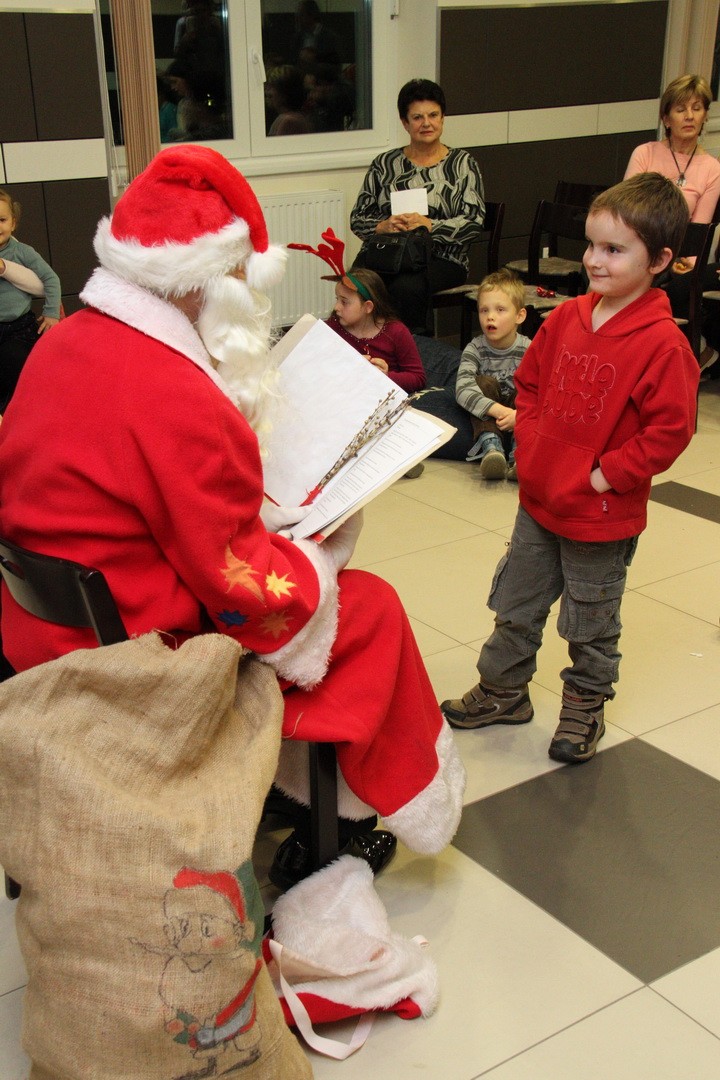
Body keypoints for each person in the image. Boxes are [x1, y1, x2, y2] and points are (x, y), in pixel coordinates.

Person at [0, 145, 465, 890]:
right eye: (243, 281)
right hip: (134, 653)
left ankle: (292, 787)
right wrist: (319, 549)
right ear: (204, 283)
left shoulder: (65, 345)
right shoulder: (177, 392)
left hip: (39, 625)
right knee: (368, 609)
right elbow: (241, 589)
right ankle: (339, 821)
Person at [441, 173, 700, 765]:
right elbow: (529, 384)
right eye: (591, 244)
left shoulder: (664, 345)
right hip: (539, 501)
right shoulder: (565, 318)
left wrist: (607, 474)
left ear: (660, 260)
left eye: (614, 249)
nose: (593, 260)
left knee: (590, 620)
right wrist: (533, 446)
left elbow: (670, 431)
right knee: (516, 603)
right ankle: (504, 691)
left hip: (600, 514)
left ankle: (584, 704)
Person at [350, 78, 485, 334]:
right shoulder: (385, 164)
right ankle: (359, 348)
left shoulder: (462, 164)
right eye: (417, 117)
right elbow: (358, 218)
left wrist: (429, 226)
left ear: (443, 118)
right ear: (405, 122)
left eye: (433, 115)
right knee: (356, 284)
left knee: (405, 287)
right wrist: (383, 226)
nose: (426, 123)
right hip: (389, 252)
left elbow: (473, 221)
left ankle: (411, 350)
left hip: (442, 257)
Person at [624, 74, 720, 366]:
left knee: (678, 284)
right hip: (639, 246)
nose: (689, 116)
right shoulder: (645, 153)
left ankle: (681, 353)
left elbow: (699, 229)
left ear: (704, 116)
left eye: (696, 108)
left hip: (681, 255)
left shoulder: (712, 168)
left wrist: (683, 260)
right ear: (666, 118)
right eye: (680, 109)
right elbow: (627, 210)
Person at [456, 269, 529, 481]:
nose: (490, 316)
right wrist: (499, 411)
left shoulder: (530, 349)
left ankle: (519, 455)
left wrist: (519, 417)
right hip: (490, 417)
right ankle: (492, 450)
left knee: (526, 388)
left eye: (500, 310)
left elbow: (543, 391)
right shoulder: (475, 348)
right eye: (484, 310)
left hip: (518, 418)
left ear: (519, 316)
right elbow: (462, 389)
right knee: (482, 383)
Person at [0, 188, 61, 413]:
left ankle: (23, 410)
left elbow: (51, 279)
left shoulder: (22, 252)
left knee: (16, 363)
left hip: (18, 327)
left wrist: (51, 313)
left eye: (2, 220)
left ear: (13, 223)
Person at [327, 267, 426, 393]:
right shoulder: (333, 327)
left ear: (368, 307)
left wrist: (385, 376)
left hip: (383, 396)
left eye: (344, 302)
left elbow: (418, 378)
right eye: (337, 299)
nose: (336, 307)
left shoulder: (396, 331)